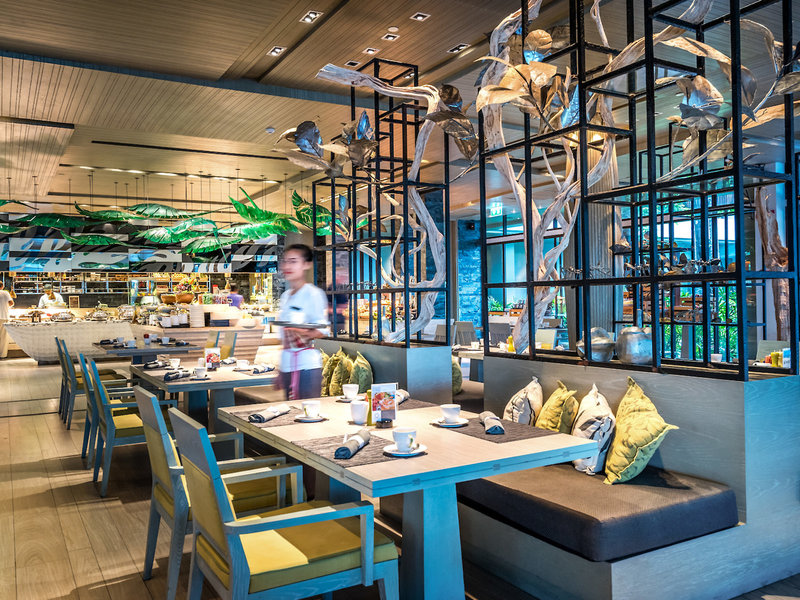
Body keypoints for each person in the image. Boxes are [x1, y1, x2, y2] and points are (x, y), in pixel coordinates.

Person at [277, 244, 329, 401]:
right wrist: (280, 370)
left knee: (307, 411)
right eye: (285, 261)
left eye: (293, 261)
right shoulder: (285, 296)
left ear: (306, 264)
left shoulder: (313, 294)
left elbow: (323, 329)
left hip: (306, 366)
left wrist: (304, 333)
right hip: (287, 364)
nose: (287, 266)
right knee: (291, 411)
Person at [0, 281, 14, 359]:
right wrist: (6, 306)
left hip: (3, 316)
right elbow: (11, 303)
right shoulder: (5, 293)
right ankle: (2, 355)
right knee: (3, 337)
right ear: (2, 286)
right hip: (3, 317)